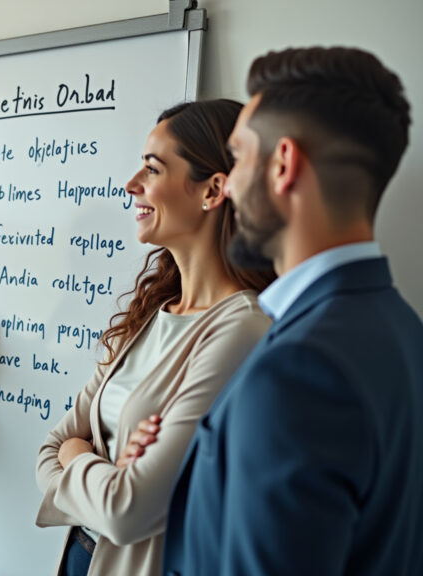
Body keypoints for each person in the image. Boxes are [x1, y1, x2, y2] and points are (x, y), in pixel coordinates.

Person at [162, 47, 423, 576]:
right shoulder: (404, 329)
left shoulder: (297, 374)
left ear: (283, 165)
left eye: (238, 158)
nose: (229, 185)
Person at [35, 100, 276, 576]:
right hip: (81, 557)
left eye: (152, 168)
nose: (131, 184)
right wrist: (106, 471)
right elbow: (51, 446)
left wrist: (78, 456)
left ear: (213, 190)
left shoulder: (243, 329)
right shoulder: (153, 313)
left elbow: (128, 512)